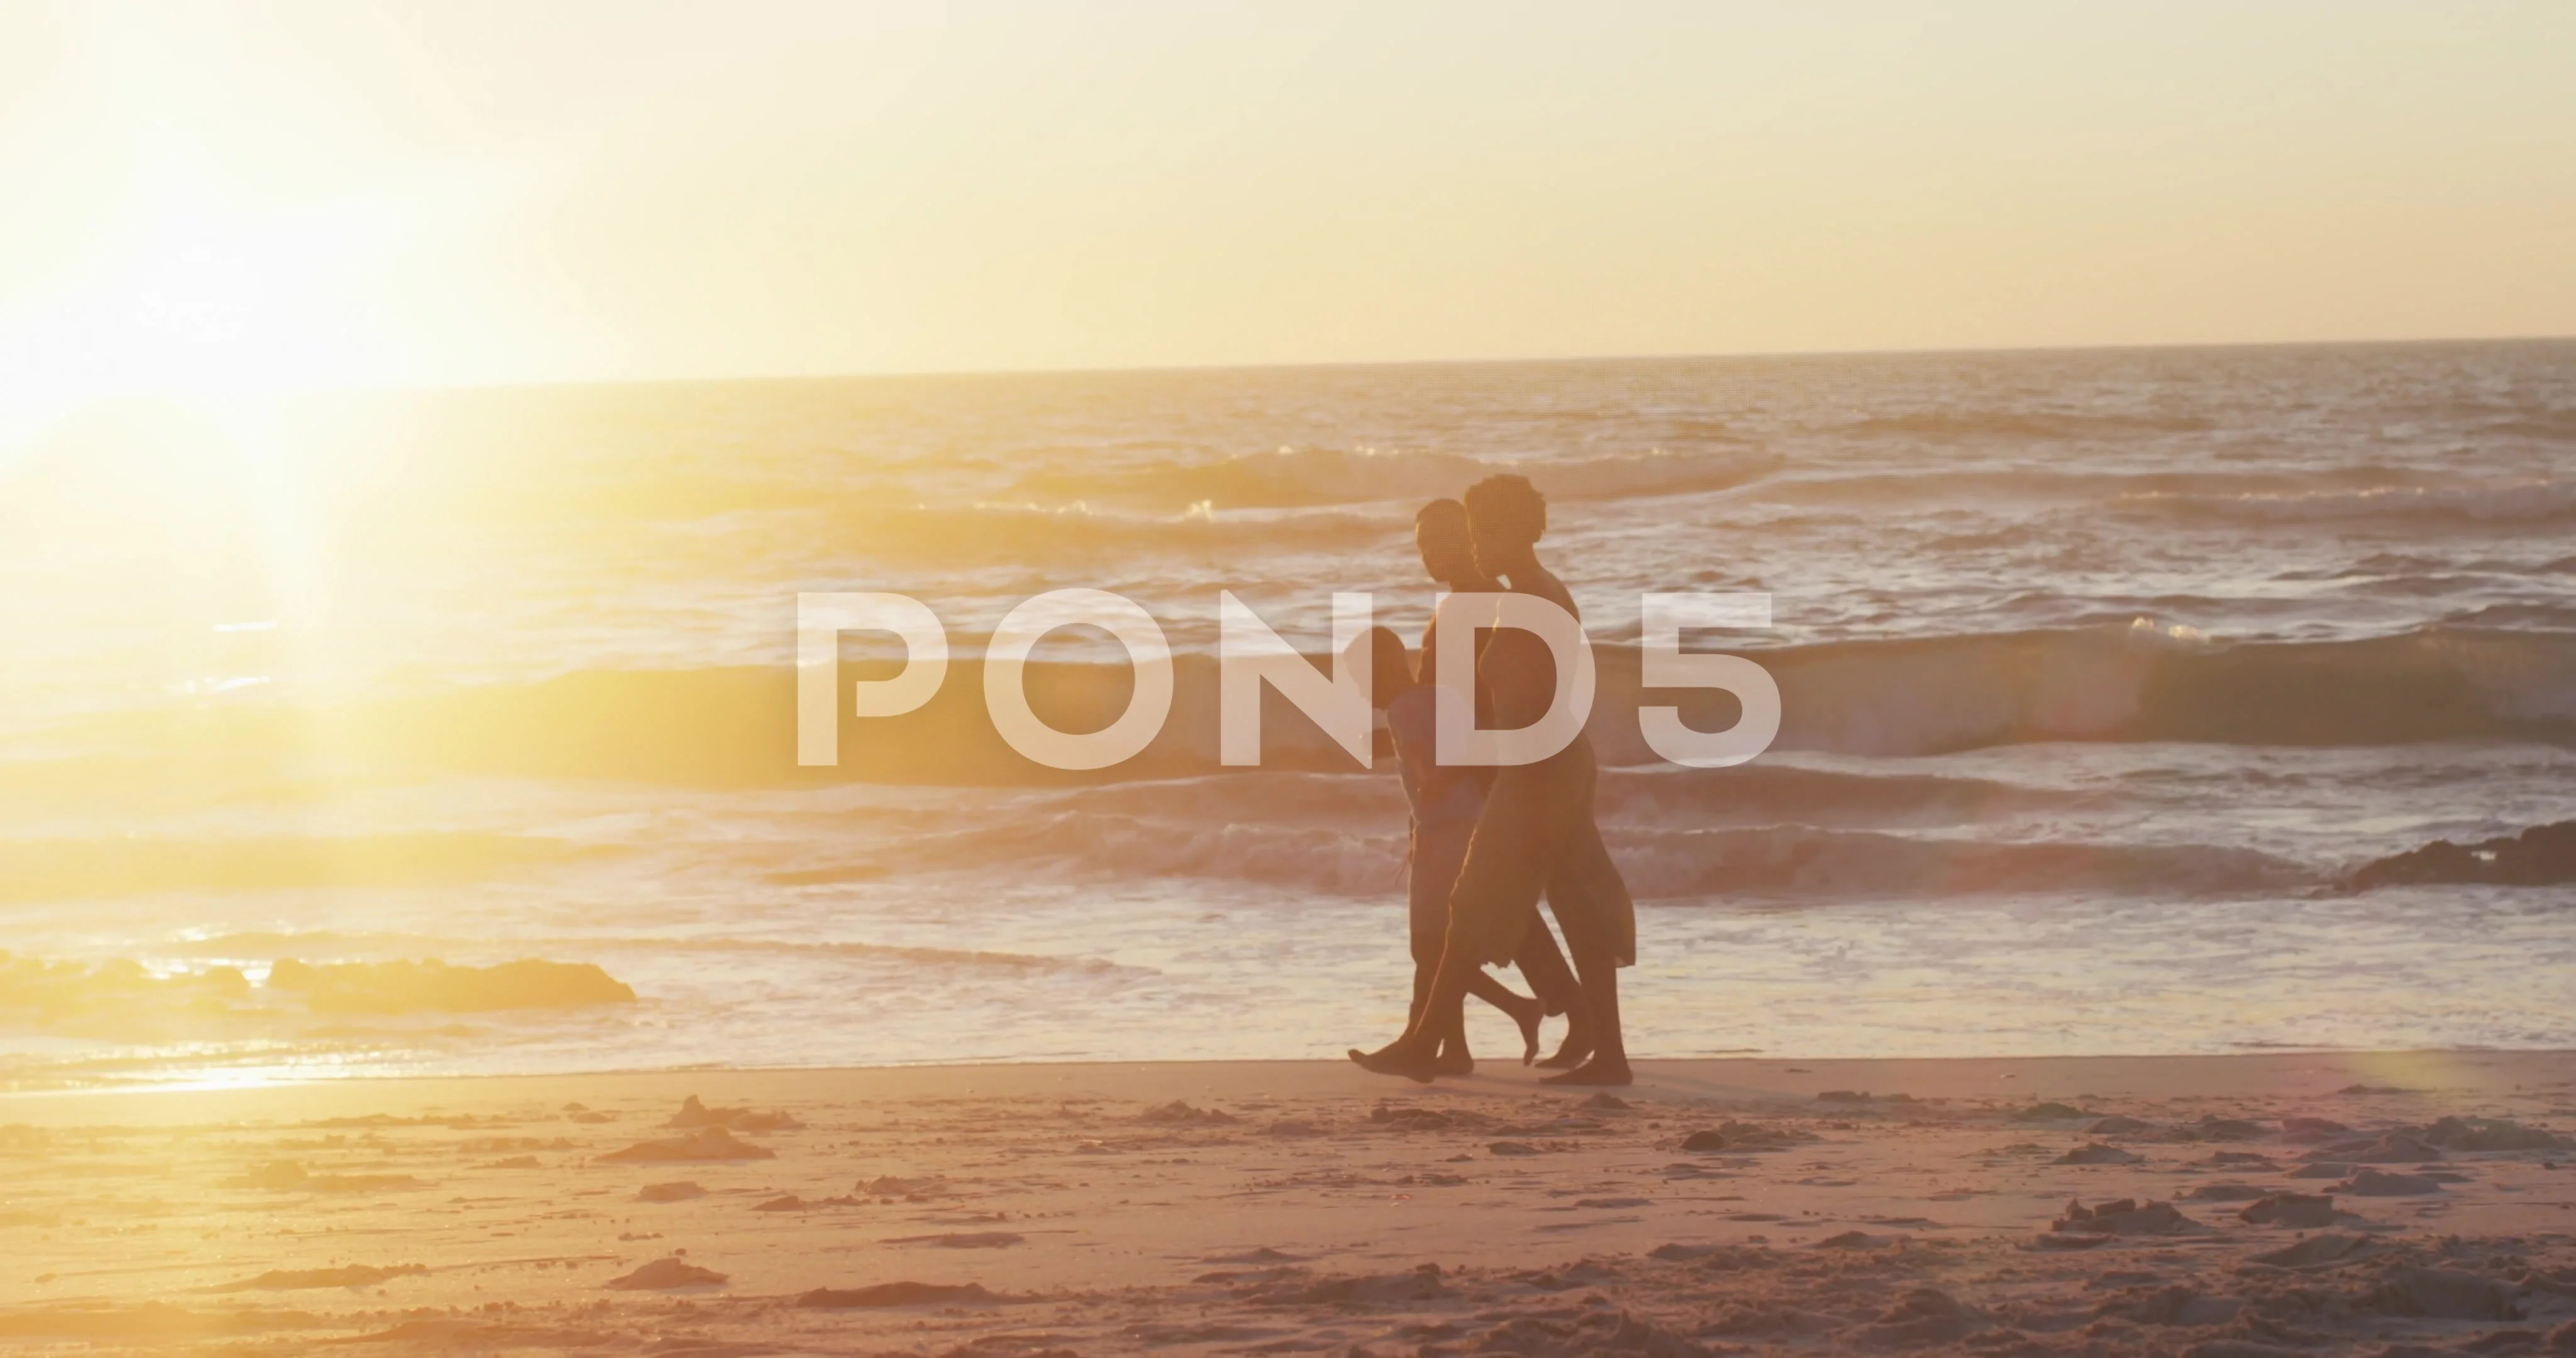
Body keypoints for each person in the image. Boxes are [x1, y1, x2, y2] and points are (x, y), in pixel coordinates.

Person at [1352, 475, 1636, 1085]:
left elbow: (1526, 703)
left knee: (1470, 905)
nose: (1475, 545)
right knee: (1580, 905)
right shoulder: (1527, 596)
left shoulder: (1528, 602)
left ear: (1510, 532)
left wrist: (1457, 762)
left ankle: (1425, 1042)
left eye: (1479, 532)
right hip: (1548, 764)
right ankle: (1607, 1055)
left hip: (1534, 771)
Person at [1407, 499, 1592, 1066]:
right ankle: (1447, 1042)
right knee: (1475, 912)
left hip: (1471, 781)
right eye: (1420, 545)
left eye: (1439, 541)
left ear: (1467, 539)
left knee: (1466, 915)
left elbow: (1482, 704)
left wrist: (1453, 776)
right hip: (1454, 777)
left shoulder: (1479, 606)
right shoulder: (1465, 604)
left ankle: (1566, 1010)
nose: (1428, 555)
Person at [1354, 624, 1545, 1071]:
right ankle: (1453, 1051)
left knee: (1428, 949)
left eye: (1362, 680)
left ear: (1381, 670)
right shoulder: (1434, 697)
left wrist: (1428, 789)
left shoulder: (1402, 710)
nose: (1362, 693)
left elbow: (1429, 767)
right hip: (1472, 824)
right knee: (1441, 940)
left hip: (1443, 835)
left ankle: (1518, 1008)